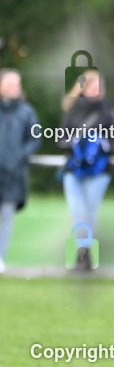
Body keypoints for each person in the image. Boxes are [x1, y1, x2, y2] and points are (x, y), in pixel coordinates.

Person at [57, 69, 114, 271]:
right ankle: (83, 252)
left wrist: (96, 147)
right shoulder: (73, 110)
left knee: (89, 212)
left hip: (98, 172)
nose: (97, 90)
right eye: (93, 86)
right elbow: (61, 139)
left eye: (99, 86)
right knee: (78, 212)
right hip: (74, 170)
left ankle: (85, 253)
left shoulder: (108, 111)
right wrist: (77, 147)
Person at [0, 69, 40, 274]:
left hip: (13, 175)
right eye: (10, 84)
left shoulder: (26, 112)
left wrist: (19, 157)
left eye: (17, 84)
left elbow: (35, 138)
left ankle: (0, 257)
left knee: (6, 217)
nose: (15, 88)